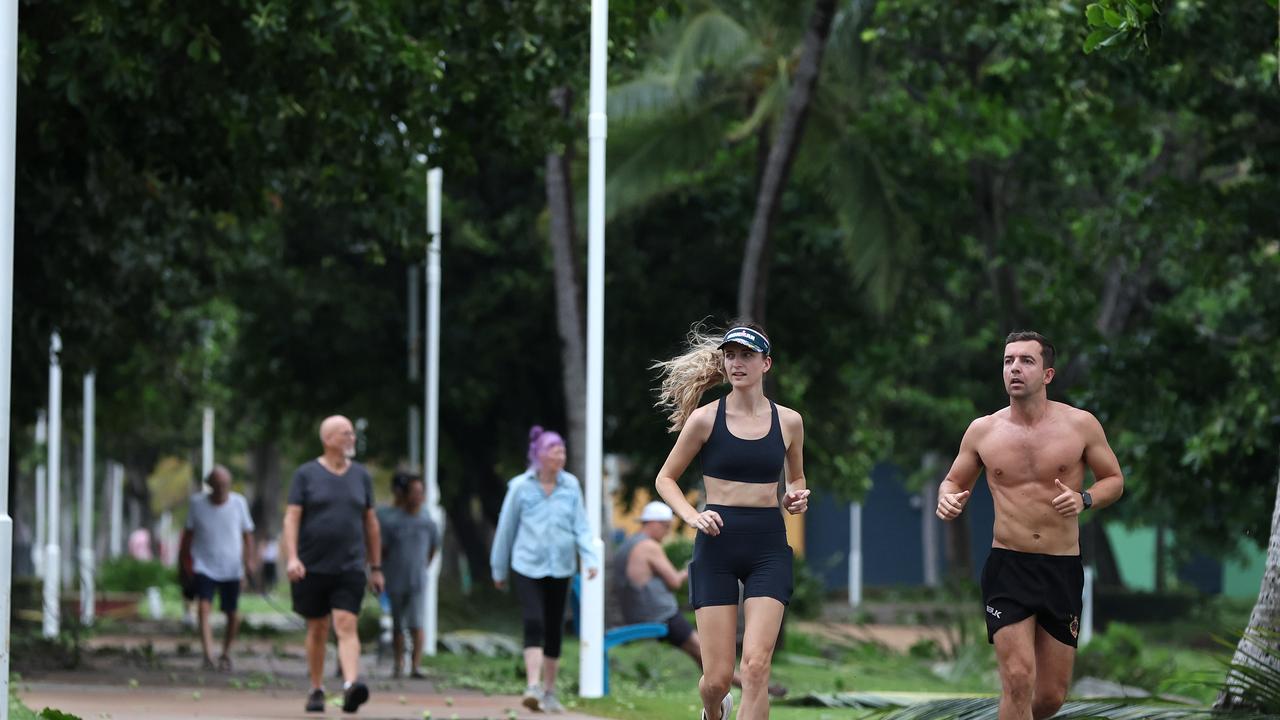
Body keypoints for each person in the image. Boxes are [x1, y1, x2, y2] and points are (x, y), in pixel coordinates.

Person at [936, 331, 1124, 720]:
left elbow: (1114, 480)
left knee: (1051, 696)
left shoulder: (1080, 425)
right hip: (1009, 565)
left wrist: (1084, 499)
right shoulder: (983, 430)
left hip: (1061, 567)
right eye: (1008, 361)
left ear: (1048, 373)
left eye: (1026, 361)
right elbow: (954, 480)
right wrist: (947, 497)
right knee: (1018, 679)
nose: (1014, 369)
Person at [653, 322, 810, 720]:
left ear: (766, 363)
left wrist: (796, 498)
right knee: (718, 679)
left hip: (768, 546)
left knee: (756, 667)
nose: (736, 363)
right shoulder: (705, 420)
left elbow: (797, 479)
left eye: (747, 355)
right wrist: (692, 515)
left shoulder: (789, 422)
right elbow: (665, 479)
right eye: (730, 355)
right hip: (717, 545)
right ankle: (713, 709)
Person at [614, 501, 787, 698]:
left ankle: (738, 688)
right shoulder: (648, 546)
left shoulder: (629, 544)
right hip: (660, 614)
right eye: (665, 527)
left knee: (701, 654)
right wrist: (695, 565)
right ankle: (755, 687)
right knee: (705, 652)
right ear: (653, 523)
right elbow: (674, 581)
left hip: (640, 612)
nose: (666, 533)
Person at [490, 427, 600, 714]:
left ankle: (549, 692)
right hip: (526, 565)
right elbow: (506, 529)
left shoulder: (571, 486)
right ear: (539, 454)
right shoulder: (520, 487)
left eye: (562, 450)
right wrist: (498, 569)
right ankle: (533, 686)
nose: (560, 455)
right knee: (534, 621)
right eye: (555, 450)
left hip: (561, 567)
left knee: (554, 629)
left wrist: (589, 559)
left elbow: (581, 526)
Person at [283, 415, 383, 714]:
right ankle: (316, 688)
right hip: (311, 566)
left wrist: (375, 567)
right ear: (327, 439)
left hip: (350, 567)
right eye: (345, 433)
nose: (352, 438)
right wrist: (292, 557)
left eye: (352, 433)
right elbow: (292, 517)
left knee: (346, 624)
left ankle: (351, 685)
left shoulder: (361, 476)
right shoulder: (306, 475)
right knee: (317, 628)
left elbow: (371, 523)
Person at [179, 465, 256, 672]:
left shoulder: (239, 503)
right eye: (218, 484)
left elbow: (248, 535)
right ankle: (208, 655)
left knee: (232, 614)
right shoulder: (197, 504)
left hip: (231, 567)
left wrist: (249, 562)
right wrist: (184, 564)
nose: (222, 488)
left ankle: (226, 652)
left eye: (225, 484)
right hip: (204, 565)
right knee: (204, 608)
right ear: (210, 485)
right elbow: (187, 535)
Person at [377, 470, 442, 679]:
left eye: (420, 493)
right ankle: (399, 664)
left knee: (417, 623)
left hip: (417, 580)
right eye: (413, 492)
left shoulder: (428, 522)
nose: (417, 497)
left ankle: (415, 665)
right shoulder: (391, 520)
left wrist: (422, 567)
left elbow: (433, 550)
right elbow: (383, 549)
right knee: (398, 623)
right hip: (395, 579)